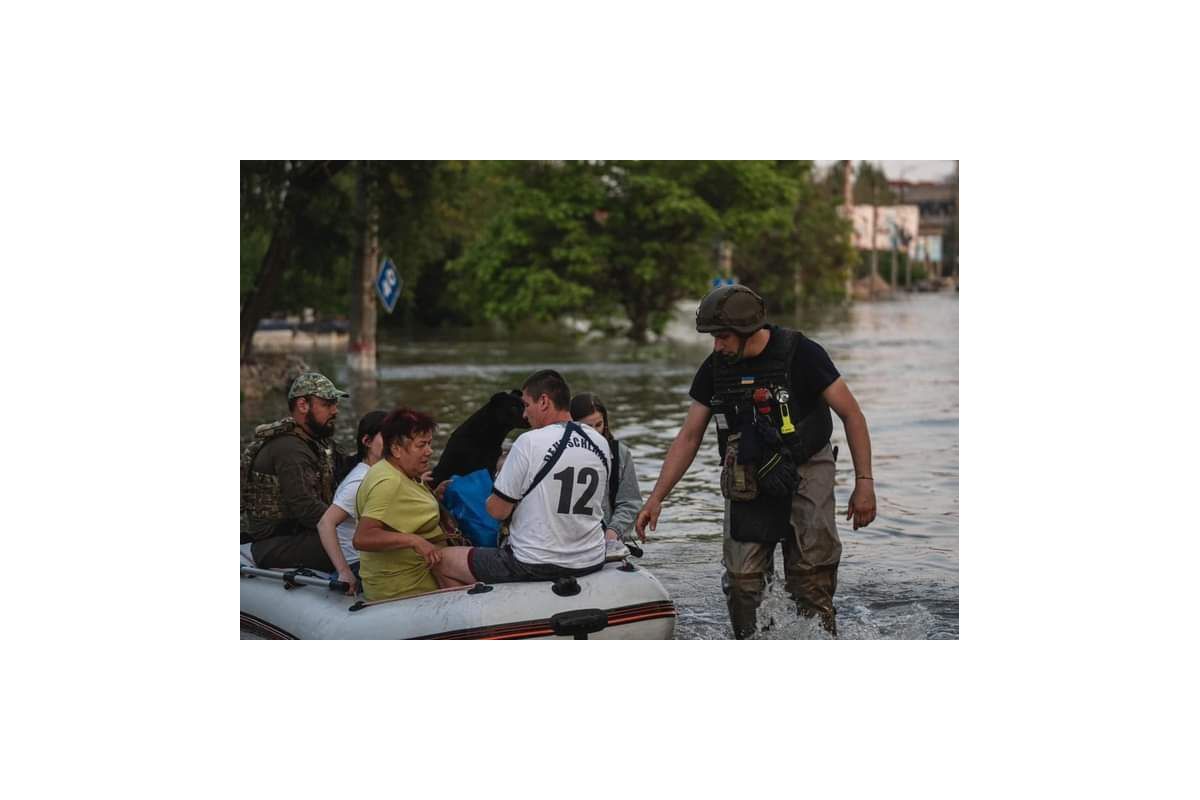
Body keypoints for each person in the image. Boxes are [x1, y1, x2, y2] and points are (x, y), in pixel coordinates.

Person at [634, 285, 877, 638]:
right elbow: (689, 436)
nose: (717, 345)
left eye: (723, 336)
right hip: (747, 475)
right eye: (713, 337)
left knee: (811, 575)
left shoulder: (803, 354)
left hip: (807, 466)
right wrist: (656, 498)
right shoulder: (716, 368)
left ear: (749, 331)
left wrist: (864, 483)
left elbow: (852, 414)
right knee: (743, 582)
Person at [433, 370, 611, 586]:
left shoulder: (528, 442)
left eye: (526, 405)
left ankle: (479, 616)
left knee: (442, 560)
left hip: (533, 562)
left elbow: (497, 511)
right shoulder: (599, 442)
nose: (525, 415)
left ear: (544, 401)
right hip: (590, 557)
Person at [352, 408, 471, 601]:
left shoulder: (401, 471)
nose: (429, 451)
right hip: (404, 586)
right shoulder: (388, 483)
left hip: (426, 568)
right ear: (396, 449)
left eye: (430, 444)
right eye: (421, 445)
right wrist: (413, 541)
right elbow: (362, 538)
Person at [241, 371, 354, 571]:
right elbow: (306, 509)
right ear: (303, 405)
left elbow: (347, 467)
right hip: (274, 542)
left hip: (297, 534)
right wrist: (354, 524)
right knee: (351, 543)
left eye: (335, 404)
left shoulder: (316, 440)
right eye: (327, 404)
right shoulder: (290, 450)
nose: (335, 410)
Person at [316, 410, 387, 595]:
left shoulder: (382, 474)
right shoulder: (360, 482)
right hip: (358, 564)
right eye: (387, 436)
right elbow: (325, 523)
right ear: (367, 442)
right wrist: (344, 571)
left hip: (376, 558)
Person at [570, 393, 642, 560]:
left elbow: (630, 502)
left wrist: (612, 534)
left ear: (606, 423)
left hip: (607, 540)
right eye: (588, 427)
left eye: (599, 425)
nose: (595, 432)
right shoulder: (559, 455)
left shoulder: (620, 454)